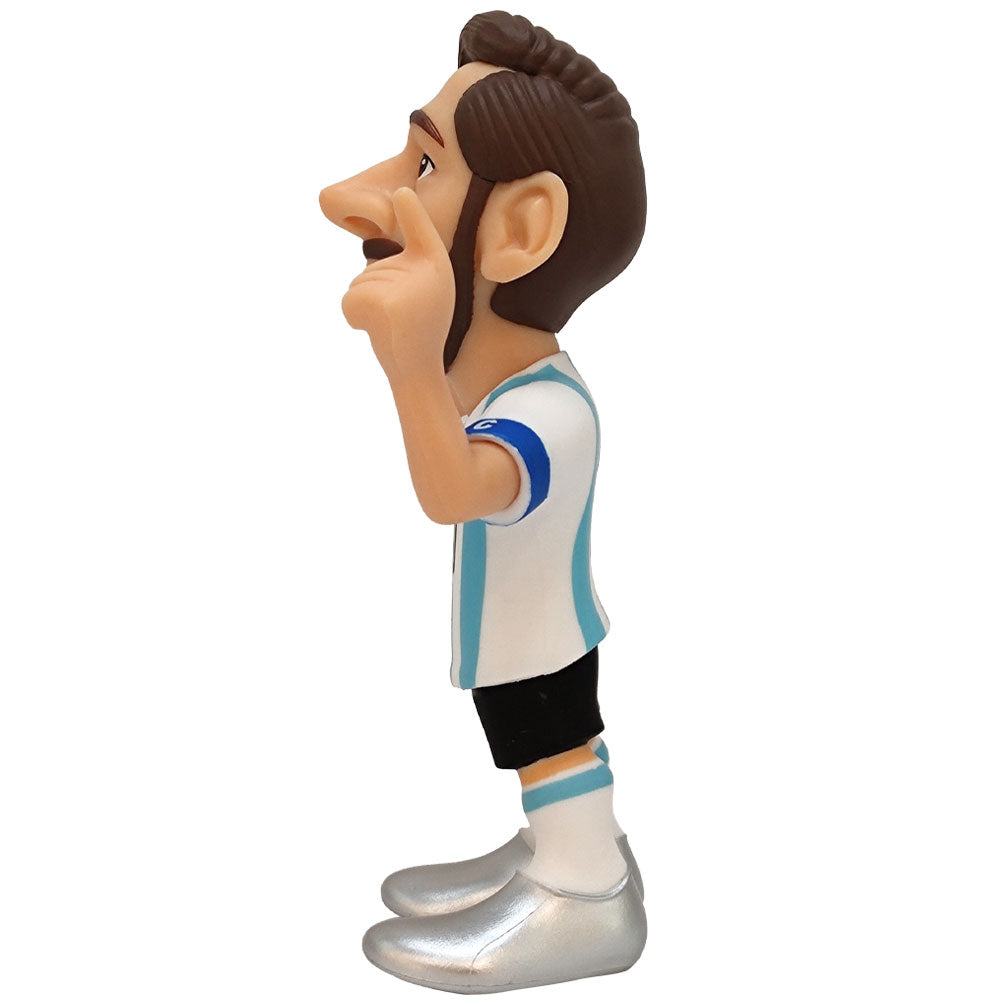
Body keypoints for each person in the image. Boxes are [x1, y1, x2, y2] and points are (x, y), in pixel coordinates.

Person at [319, 11, 647, 992]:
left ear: (519, 230)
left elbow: (450, 489)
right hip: (524, 631)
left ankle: (586, 891)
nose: (350, 197)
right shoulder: (519, 386)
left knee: (553, 747)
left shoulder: (549, 414)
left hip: (538, 638)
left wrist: (408, 361)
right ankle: (557, 853)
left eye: (422, 167)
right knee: (542, 745)